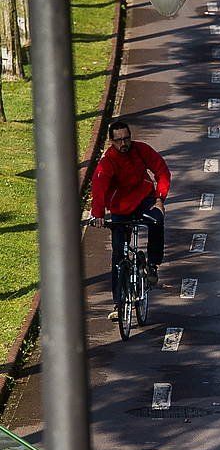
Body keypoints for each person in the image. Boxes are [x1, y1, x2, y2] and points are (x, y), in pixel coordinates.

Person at [89, 120, 170, 320]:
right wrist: (98, 214)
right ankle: (119, 304)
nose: (123, 143)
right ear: (111, 141)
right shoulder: (107, 162)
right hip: (120, 208)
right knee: (118, 255)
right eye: (118, 140)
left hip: (144, 199)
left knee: (156, 221)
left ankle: (153, 264)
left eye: (126, 138)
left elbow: (162, 170)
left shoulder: (141, 150)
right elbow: (99, 188)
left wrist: (159, 199)